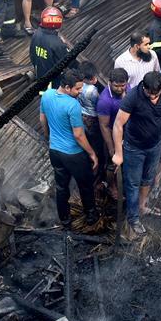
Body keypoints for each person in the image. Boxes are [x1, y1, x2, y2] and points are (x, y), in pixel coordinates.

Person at [111, 71, 161, 235]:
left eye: (156, 94)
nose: (153, 98)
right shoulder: (133, 97)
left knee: (148, 180)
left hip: (155, 146)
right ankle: (133, 218)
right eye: (150, 94)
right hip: (134, 148)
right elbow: (118, 125)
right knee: (133, 184)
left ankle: (142, 207)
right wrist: (118, 154)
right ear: (144, 87)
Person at [40, 69, 99, 228]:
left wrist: (48, 137)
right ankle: (91, 217)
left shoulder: (47, 95)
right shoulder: (72, 105)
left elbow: (43, 119)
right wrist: (92, 153)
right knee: (85, 185)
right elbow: (79, 135)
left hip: (55, 152)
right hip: (74, 155)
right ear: (67, 87)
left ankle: (65, 219)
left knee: (61, 187)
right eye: (78, 89)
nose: (80, 92)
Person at [77, 62, 105, 177]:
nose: (95, 79)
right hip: (92, 119)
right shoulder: (92, 90)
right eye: (92, 78)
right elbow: (98, 104)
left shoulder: (77, 86)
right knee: (97, 143)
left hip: (80, 116)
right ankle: (97, 170)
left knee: (85, 141)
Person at [29, 7, 70, 85]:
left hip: (40, 75)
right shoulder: (58, 44)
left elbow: (32, 55)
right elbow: (67, 63)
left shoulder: (36, 34)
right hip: (54, 82)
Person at [97, 68, 129, 160]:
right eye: (116, 86)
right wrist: (111, 148)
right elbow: (104, 126)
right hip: (114, 134)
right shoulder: (104, 101)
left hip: (128, 131)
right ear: (110, 82)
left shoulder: (127, 88)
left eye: (122, 85)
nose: (119, 89)